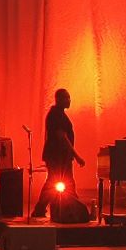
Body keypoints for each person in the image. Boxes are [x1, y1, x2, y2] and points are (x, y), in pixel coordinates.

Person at [32, 87, 83, 218]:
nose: (69, 100)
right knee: (56, 182)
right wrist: (76, 156)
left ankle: (43, 209)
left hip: (62, 157)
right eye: (66, 97)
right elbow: (62, 136)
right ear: (58, 99)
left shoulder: (58, 114)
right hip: (57, 156)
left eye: (69, 97)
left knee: (61, 181)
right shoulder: (56, 115)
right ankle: (41, 209)